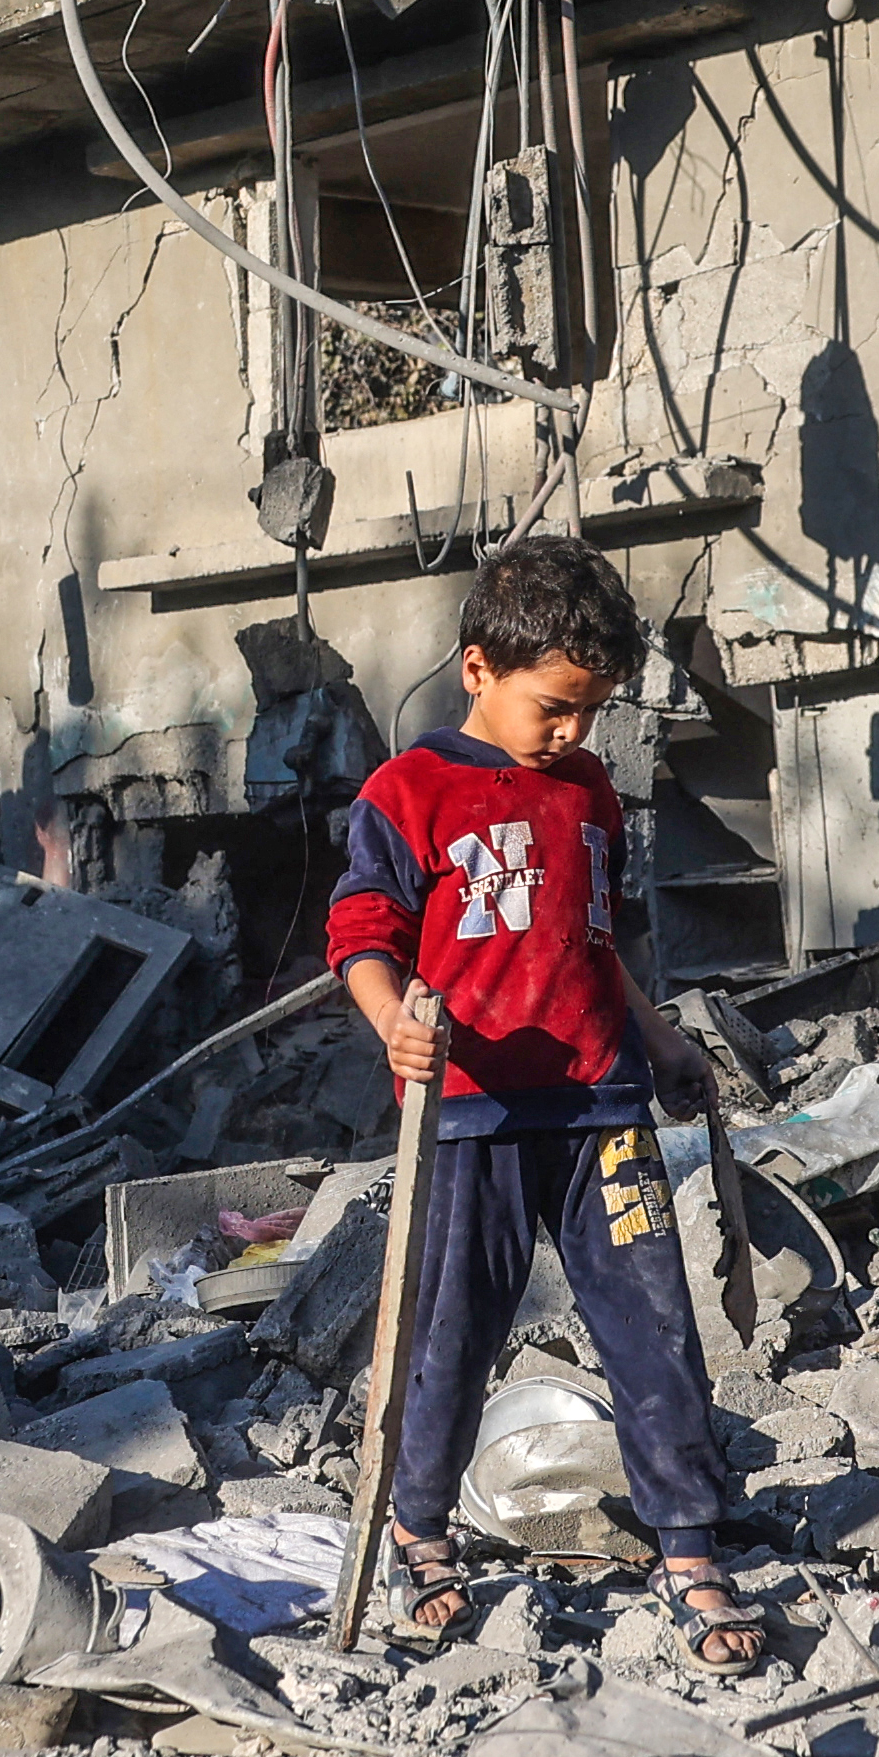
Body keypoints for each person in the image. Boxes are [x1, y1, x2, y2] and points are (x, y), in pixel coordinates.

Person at [323, 531, 762, 1673]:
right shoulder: (407, 793)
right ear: (480, 670)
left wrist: (660, 1039)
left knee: (654, 1324)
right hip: (468, 1113)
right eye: (556, 707)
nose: (572, 733)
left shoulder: (590, 798)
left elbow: (598, 947)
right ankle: (419, 1528)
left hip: (599, 1107)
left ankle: (687, 1542)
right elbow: (361, 939)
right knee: (450, 1335)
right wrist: (395, 1027)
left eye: (590, 711)